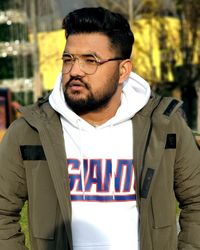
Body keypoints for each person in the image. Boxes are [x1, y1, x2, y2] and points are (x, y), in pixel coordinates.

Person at [0, 6, 200, 250]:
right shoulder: (29, 131)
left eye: (90, 60)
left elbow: (196, 200)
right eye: (68, 59)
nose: (74, 70)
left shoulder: (164, 126)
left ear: (123, 70)